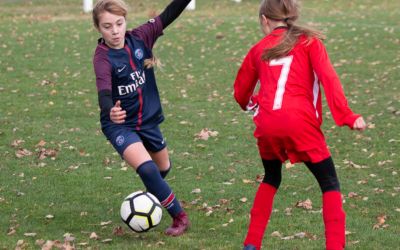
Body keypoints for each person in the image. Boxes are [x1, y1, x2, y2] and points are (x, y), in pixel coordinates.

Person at [233, 0, 367, 249]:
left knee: (271, 178)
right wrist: (347, 115)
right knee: (329, 184)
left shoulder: (258, 49)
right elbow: (329, 78)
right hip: (300, 122)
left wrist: (252, 103)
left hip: (268, 124)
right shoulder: (309, 42)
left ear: (264, 20)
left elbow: (240, 93)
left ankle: (251, 244)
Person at [92, 0, 192, 236]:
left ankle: (150, 201)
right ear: (98, 28)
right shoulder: (102, 58)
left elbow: (170, 13)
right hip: (119, 125)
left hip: (148, 120)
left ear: (125, 20)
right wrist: (110, 110)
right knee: (147, 170)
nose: (114, 31)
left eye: (118, 23)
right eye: (107, 26)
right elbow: (104, 91)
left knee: (162, 169)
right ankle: (180, 217)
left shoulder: (141, 37)